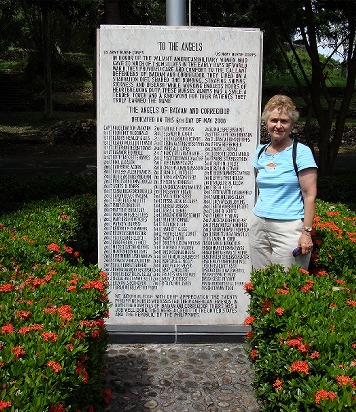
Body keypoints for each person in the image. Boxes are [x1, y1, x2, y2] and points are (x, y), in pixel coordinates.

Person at [249, 95, 318, 270]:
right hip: (259, 225)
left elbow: (309, 195)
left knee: (286, 286)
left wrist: (306, 233)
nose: (278, 126)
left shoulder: (301, 152)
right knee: (261, 283)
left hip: (288, 227)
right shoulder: (260, 152)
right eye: (274, 120)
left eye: (284, 121)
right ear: (266, 122)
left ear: (292, 124)